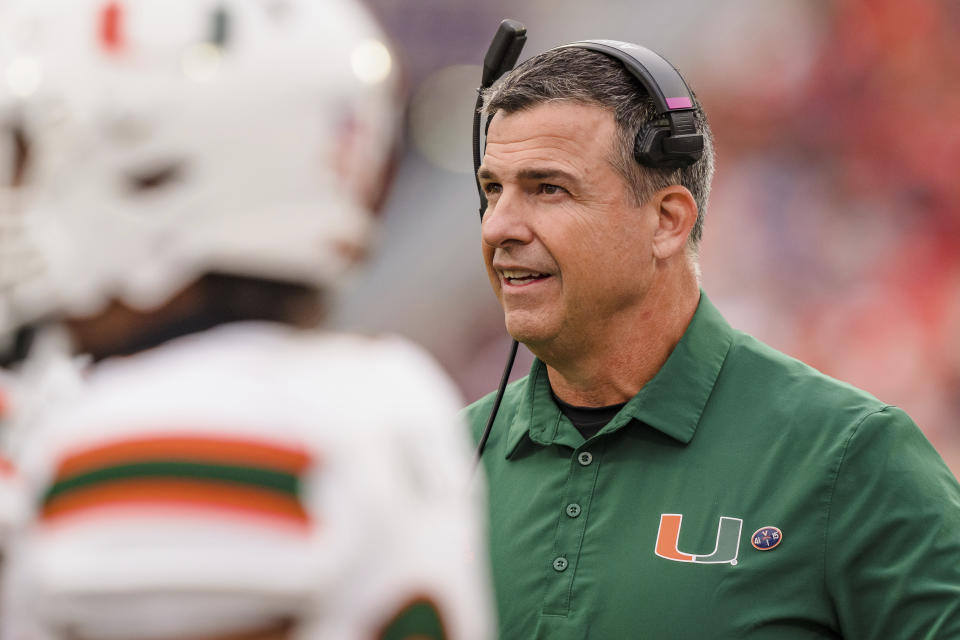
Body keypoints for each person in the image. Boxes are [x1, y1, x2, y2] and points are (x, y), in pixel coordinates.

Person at [0, 1, 493, 638]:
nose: (18, 193)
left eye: (28, 157)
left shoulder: (180, 420)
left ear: (155, 177)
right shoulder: (379, 381)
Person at [465, 42, 960, 639]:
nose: (499, 227)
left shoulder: (848, 457)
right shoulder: (445, 457)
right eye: (493, 189)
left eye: (548, 189)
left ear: (668, 221)